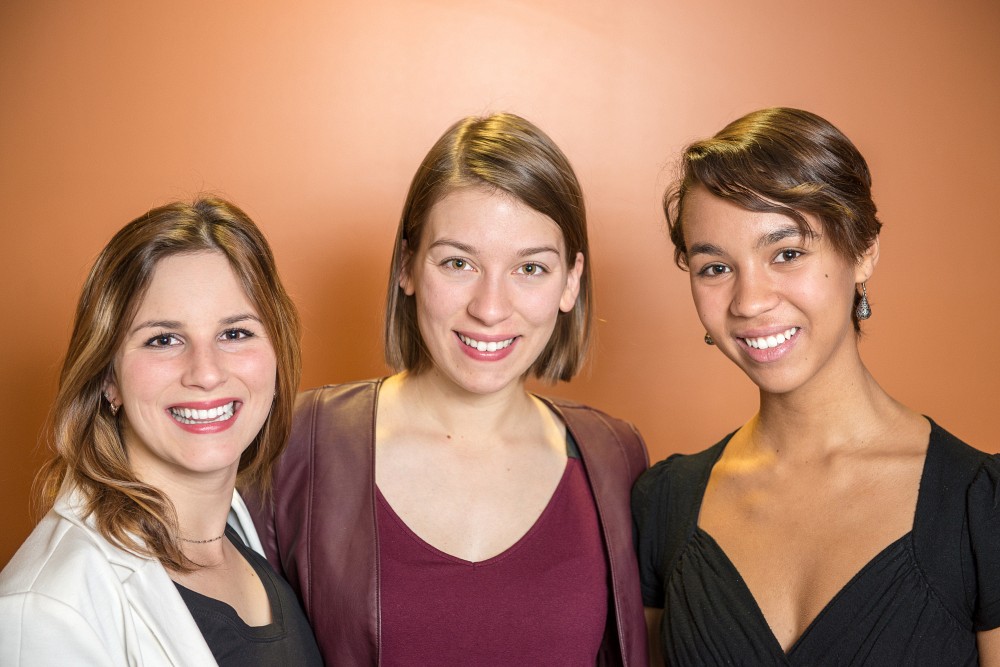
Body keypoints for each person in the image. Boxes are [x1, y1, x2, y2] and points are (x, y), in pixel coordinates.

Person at [247, 112, 649, 665]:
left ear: (571, 282)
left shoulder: (617, 459)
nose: (489, 308)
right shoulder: (296, 443)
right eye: (458, 262)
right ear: (408, 267)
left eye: (530, 269)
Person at [632, 107, 1000, 665]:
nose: (749, 301)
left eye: (787, 253)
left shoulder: (982, 508)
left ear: (863, 252)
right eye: (715, 267)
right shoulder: (662, 503)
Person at [0, 198, 322, 666]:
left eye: (235, 333)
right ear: (108, 378)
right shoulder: (44, 612)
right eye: (163, 339)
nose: (206, 373)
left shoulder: (237, 533)